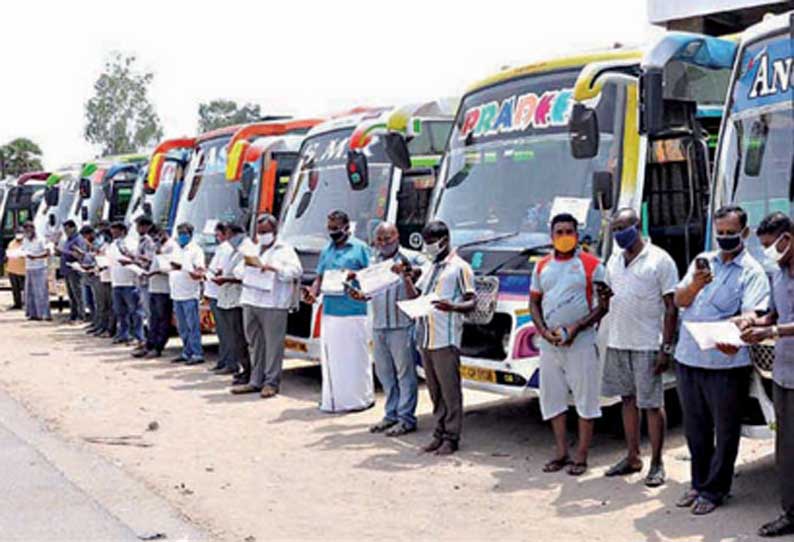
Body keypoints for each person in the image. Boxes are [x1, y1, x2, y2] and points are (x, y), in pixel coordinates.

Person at [673, 205, 769, 515]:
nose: (725, 238)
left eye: (731, 233)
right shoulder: (703, 262)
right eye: (721, 233)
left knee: (725, 432)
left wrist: (736, 330)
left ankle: (715, 491)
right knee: (695, 429)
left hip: (726, 363)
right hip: (689, 357)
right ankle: (698, 483)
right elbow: (679, 300)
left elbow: (753, 313)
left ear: (745, 233)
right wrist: (697, 283)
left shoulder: (751, 271)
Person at [602, 208, 679, 487]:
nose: (619, 233)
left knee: (652, 404)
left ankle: (657, 463)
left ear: (637, 225)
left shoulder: (660, 260)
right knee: (627, 400)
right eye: (615, 229)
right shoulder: (613, 260)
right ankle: (632, 456)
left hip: (648, 343)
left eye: (624, 227)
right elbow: (609, 297)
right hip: (618, 341)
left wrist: (666, 348)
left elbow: (672, 308)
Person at [529, 213, 609, 476]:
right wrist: (543, 331)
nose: (564, 237)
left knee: (586, 400)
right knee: (553, 399)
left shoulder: (593, 265)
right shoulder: (541, 267)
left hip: (581, 343)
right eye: (559, 232)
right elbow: (534, 303)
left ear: (577, 235)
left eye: (569, 232)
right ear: (551, 236)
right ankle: (561, 452)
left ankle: (582, 457)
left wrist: (576, 328)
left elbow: (603, 306)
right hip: (550, 345)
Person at [735, 212, 794, 537]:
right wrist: (752, 322)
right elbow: (773, 313)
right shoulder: (779, 274)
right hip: (784, 374)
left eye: (772, 245)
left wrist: (772, 329)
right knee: (786, 448)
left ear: (789, 238)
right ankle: (790, 512)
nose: (768, 252)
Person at [400, 220, 475, 455]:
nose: (429, 246)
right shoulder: (433, 267)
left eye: (432, 242)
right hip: (426, 337)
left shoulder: (460, 267)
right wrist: (406, 278)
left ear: (444, 240)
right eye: (426, 242)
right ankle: (439, 432)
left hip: (446, 337)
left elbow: (472, 301)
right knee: (434, 390)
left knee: (450, 390)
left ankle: (452, 436)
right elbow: (417, 295)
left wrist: (452, 306)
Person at [303, 210, 373, 413]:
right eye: (330, 228)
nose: (332, 232)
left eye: (336, 228)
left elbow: (371, 275)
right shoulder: (327, 250)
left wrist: (354, 275)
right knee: (333, 359)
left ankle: (360, 399)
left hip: (354, 310)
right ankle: (335, 400)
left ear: (347, 227)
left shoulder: (360, 248)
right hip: (331, 311)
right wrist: (313, 293)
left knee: (356, 357)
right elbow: (320, 277)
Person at [362, 222, 426, 436]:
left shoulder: (412, 257)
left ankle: (406, 418)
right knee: (385, 373)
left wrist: (409, 272)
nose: (383, 243)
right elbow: (368, 290)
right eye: (379, 239)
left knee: (404, 374)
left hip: (402, 325)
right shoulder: (374, 262)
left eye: (387, 239)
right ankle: (391, 415)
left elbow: (424, 274)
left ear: (397, 236)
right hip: (380, 325)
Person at [232, 214, 302, 397]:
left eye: (265, 232)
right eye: (259, 232)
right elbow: (237, 271)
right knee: (254, 343)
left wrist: (275, 269)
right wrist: (249, 266)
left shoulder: (285, 250)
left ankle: (271, 382)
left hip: (273, 303)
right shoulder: (253, 248)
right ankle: (255, 380)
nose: (262, 235)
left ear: (274, 231)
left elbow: (296, 271)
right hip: (250, 300)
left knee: (273, 345)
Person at [213, 223, 251, 384]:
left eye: (228, 234)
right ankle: (243, 370)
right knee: (235, 337)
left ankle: (248, 371)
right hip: (229, 297)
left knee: (241, 338)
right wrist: (222, 274)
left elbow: (244, 275)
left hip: (238, 299)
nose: (227, 238)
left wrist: (225, 278)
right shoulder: (234, 250)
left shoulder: (246, 249)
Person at [133, 226, 175, 359]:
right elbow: (155, 262)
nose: (155, 240)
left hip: (164, 288)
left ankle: (158, 347)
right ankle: (150, 344)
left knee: (163, 319)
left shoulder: (172, 246)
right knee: (154, 318)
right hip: (153, 286)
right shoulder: (158, 247)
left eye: (157, 236)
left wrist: (155, 271)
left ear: (163, 233)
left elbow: (170, 266)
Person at [170, 222, 206, 365]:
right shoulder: (176, 249)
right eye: (179, 233)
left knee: (192, 326)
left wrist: (184, 267)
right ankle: (187, 351)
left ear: (190, 235)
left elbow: (199, 271)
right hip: (176, 293)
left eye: (184, 233)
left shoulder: (196, 250)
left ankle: (197, 353)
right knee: (182, 326)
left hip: (189, 294)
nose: (181, 236)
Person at [205, 222, 235, 373]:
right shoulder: (221, 248)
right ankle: (223, 361)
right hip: (213, 292)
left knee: (226, 332)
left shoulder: (227, 249)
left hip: (220, 294)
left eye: (218, 234)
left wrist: (210, 273)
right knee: (220, 331)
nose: (216, 238)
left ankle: (230, 363)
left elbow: (221, 271)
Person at [108, 222, 144, 345]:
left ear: (123, 231)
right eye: (112, 232)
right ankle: (123, 334)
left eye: (115, 232)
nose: (113, 234)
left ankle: (138, 336)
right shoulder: (113, 245)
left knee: (135, 311)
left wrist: (128, 260)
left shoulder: (132, 243)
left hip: (130, 282)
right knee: (120, 311)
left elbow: (137, 259)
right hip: (116, 281)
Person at [131, 216, 156, 354]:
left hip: (147, 280)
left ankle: (150, 343)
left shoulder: (149, 242)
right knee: (143, 312)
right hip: (140, 280)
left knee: (148, 313)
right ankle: (144, 341)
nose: (137, 229)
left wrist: (135, 258)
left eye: (139, 226)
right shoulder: (141, 241)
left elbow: (149, 260)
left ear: (145, 227)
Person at [59, 219, 88, 323]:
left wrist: (63, 251)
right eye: (64, 229)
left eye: (67, 229)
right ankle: (73, 315)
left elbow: (80, 255)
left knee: (78, 294)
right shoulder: (68, 239)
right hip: (67, 270)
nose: (66, 231)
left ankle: (81, 316)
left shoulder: (78, 239)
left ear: (73, 228)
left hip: (75, 269)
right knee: (71, 295)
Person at [21, 222, 51, 321]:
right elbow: (23, 251)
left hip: (40, 268)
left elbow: (47, 253)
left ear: (33, 229)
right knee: (30, 292)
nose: (27, 232)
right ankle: (33, 313)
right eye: (25, 230)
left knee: (41, 292)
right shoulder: (25, 240)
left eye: (28, 229)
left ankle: (43, 314)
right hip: (29, 268)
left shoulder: (40, 239)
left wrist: (36, 257)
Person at [91, 225, 115, 337]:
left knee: (110, 305)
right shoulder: (104, 245)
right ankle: (102, 326)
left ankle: (110, 329)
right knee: (102, 305)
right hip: (102, 276)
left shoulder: (113, 246)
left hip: (110, 277)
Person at [78, 225, 101, 334]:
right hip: (86, 274)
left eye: (86, 235)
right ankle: (94, 321)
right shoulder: (85, 244)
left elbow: (98, 256)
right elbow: (86, 256)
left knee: (98, 302)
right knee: (89, 301)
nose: (84, 238)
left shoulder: (98, 242)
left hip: (95, 274)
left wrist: (91, 248)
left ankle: (99, 323)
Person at [5, 227, 26, 310]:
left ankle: (26, 304)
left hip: (23, 270)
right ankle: (17, 304)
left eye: (20, 232)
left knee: (25, 289)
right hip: (12, 269)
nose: (18, 234)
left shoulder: (26, 243)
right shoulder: (11, 243)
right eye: (17, 232)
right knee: (15, 289)